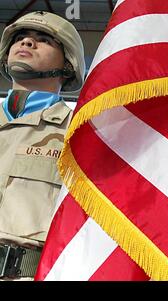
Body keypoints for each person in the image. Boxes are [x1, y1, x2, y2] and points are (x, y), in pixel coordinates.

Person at [0, 11, 85, 280]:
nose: (26, 43)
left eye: (43, 39)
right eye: (20, 38)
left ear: (68, 65)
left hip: (28, 273)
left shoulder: (81, 134)